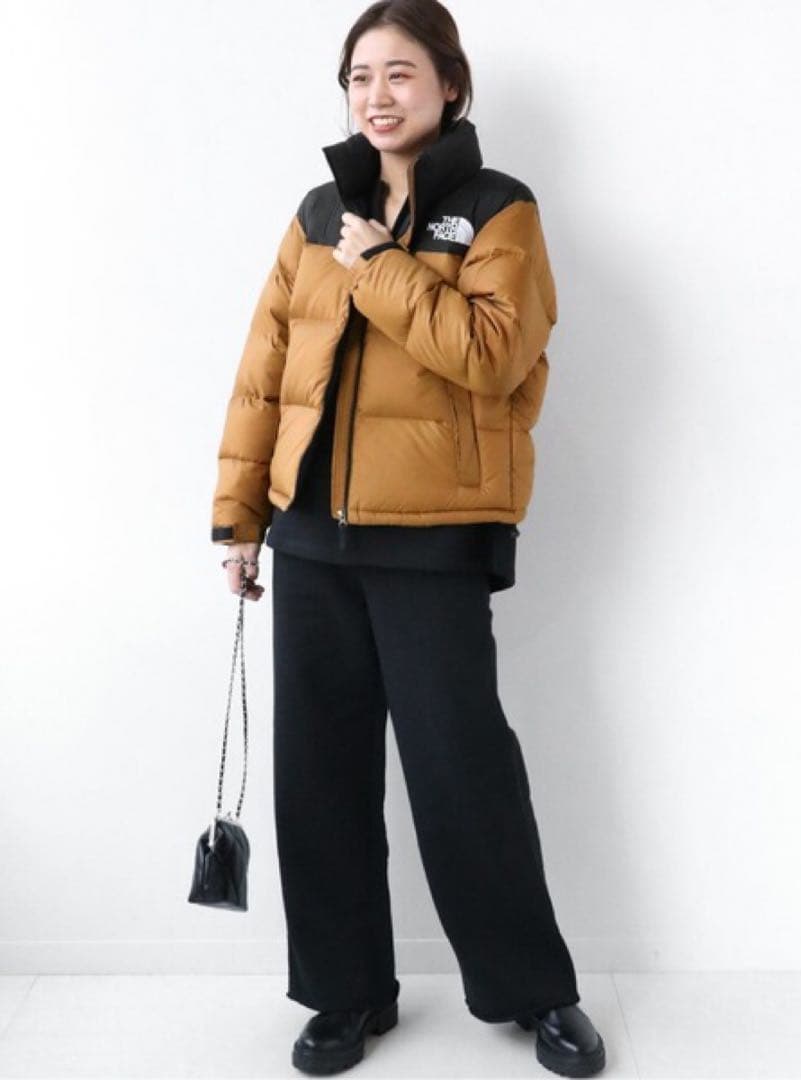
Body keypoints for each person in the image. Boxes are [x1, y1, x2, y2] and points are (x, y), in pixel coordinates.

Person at [210, 1, 605, 1075]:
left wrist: (385, 263)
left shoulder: (497, 208)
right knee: (320, 777)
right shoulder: (315, 213)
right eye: (359, 77)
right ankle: (345, 995)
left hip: (433, 534)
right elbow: (263, 373)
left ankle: (535, 992)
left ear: (449, 86)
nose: (376, 96)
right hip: (311, 537)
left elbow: (493, 355)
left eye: (399, 74)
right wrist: (241, 517)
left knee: (462, 771)